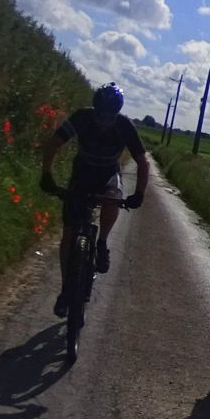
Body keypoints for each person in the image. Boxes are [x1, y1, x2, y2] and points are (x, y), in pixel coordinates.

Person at [39, 83, 149, 315]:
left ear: (117, 113)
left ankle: (102, 242)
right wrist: (46, 175)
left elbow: (142, 161)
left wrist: (139, 193)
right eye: (101, 114)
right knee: (69, 235)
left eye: (110, 116)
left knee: (112, 198)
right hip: (83, 172)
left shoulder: (124, 125)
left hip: (108, 174)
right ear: (95, 110)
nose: (104, 121)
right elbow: (54, 143)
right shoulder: (82, 117)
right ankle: (66, 289)